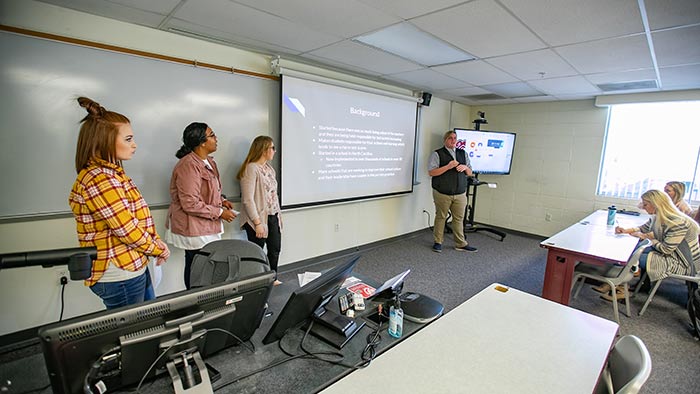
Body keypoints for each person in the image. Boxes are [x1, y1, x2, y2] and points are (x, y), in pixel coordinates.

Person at [69, 97, 170, 309]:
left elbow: (137, 217)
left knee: (146, 324)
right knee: (132, 334)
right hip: (120, 272)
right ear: (104, 140)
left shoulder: (113, 174)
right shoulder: (100, 178)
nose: (134, 145)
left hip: (131, 264)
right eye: (128, 139)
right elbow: (126, 229)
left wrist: (156, 242)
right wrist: (157, 248)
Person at [165, 122, 236, 289]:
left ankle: (203, 299)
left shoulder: (209, 162)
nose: (216, 138)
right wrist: (219, 212)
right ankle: (193, 300)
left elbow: (208, 191)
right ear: (202, 142)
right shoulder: (188, 165)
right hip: (193, 227)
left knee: (205, 265)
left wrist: (222, 200)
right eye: (212, 135)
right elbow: (190, 203)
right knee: (196, 265)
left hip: (206, 224)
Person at [615, 189, 700, 288]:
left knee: (632, 257)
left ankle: (618, 286)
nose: (643, 207)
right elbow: (644, 228)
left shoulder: (678, 223)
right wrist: (626, 230)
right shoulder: (659, 217)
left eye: (645, 204)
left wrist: (649, 239)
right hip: (674, 255)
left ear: (655, 204)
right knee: (636, 250)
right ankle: (628, 285)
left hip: (684, 263)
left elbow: (666, 249)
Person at [237, 136, 282, 284]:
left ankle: (271, 278)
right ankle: (256, 282)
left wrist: (278, 216)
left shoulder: (269, 169)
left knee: (275, 249)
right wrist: (257, 223)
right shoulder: (251, 168)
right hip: (258, 218)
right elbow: (248, 199)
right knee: (256, 252)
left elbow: (273, 194)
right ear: (263, 150)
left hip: (273, 215)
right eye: (272, 148)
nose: (274, 151)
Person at [428, 130, 477, 253]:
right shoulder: (437, 154)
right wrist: (448, 167)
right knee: (441, 217)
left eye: (455, 138)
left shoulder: (463, 153)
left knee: (458, 219)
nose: (453, 140)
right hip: (442, 193)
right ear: (445, 140)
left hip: (460, 193)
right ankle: (438, 242)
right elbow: (432, 172)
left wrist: (465, 167)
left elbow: (470, 172)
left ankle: (460, 243)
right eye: (450, 138)